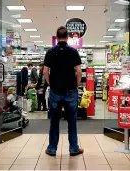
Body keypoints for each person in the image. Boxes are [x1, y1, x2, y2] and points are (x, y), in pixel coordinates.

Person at [43, 26, 83, 156]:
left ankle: (52, 149)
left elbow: (45, 71)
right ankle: (74, 148)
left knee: (54, 120)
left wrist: (51, 84)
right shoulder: (73, 52)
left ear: (56, 37)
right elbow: (78, 71)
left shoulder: (50, 52)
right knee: (72, 121)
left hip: (55, 91)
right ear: (67, 37)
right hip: (71, 91)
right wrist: (76, 85)